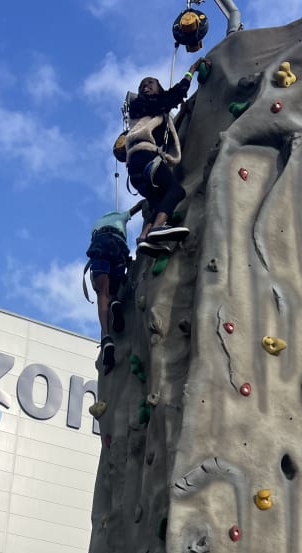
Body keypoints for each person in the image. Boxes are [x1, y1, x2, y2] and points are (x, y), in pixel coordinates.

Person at [125, 57, 208, 255]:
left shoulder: (154, 112)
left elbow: (167, 132)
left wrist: (183, 113)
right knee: (176, 191)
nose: (145, 87)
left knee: (158, 202)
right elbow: (174, 95)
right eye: (143, 86)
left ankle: (144, 238)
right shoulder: (141, 104)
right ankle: (157, 228)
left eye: (149, 83)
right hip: (145, 157)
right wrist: (192, 70)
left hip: (136, 169)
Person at [86, 201, 144, 373]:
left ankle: (106, 337)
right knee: (115, 285)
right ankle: (116, 301)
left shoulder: (96, 226)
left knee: (102, 293)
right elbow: (138, 206)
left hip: (99, 246)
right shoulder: (121, 216)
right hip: (118, 246)